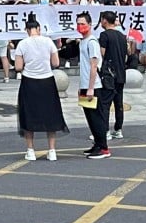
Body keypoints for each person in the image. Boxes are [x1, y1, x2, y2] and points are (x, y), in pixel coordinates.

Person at [14, 18, 67, 161]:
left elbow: (18, 67)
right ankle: (52, 150)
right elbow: (55, 63)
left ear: (27, 30)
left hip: (29, 82)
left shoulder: (22, 44)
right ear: (39, 28)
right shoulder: (48, 41)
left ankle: (30, 150)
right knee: (51, 114)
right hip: (47, 81)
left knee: (29, 114)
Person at [78, 12, 111, 159]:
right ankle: (97, 144)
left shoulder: (92, 42)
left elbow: (93, 66)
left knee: (97, 117)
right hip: (85, 85)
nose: (80, 26)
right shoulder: (82, 42)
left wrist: (91, 87)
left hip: (94, 86)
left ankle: (104, 148)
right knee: (90, 117)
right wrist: (82, 87)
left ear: (90, 25)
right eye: (78, 23)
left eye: (83, 23)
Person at [98, 11, 129, 140]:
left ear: (105, 20)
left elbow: (102, 54)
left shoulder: (104, 35)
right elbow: (126, 55)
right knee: (118, 103)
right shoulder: (122, 36)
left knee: (105, 103)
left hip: (109, 73)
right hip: (121, 72)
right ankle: (118, 129)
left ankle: (105, 131)